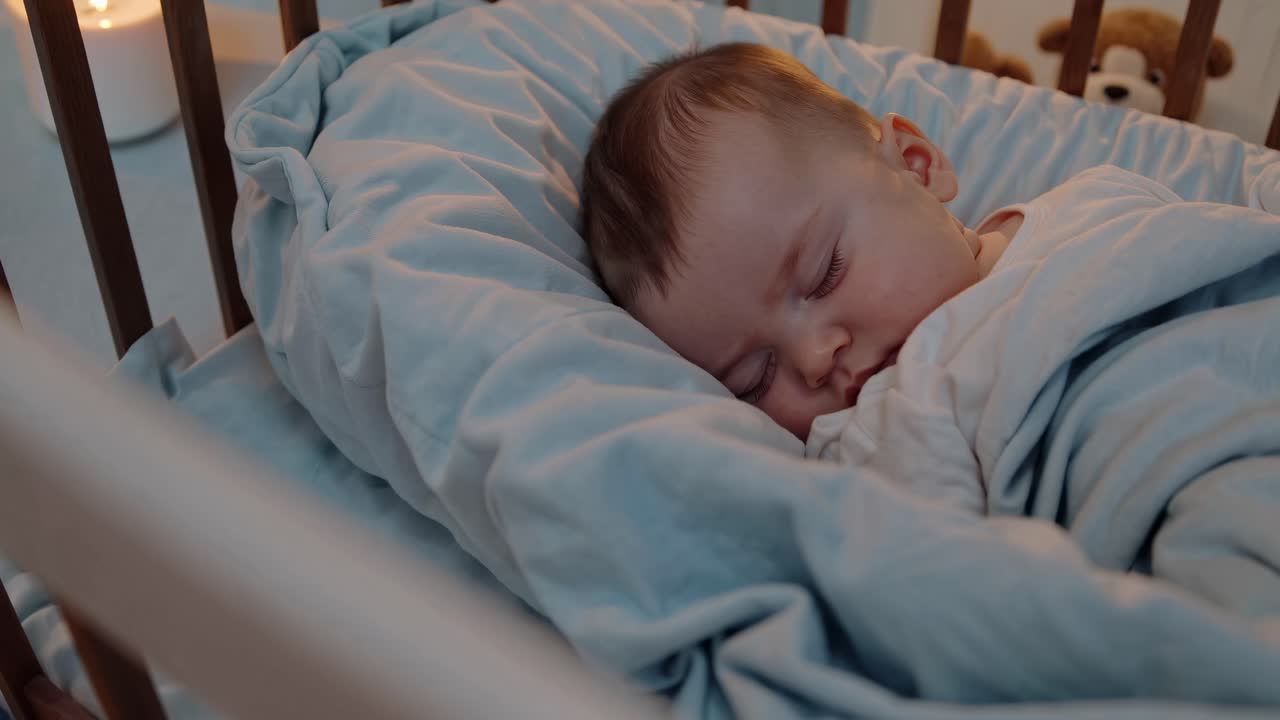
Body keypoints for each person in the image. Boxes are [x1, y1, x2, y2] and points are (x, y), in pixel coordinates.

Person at [581, 41, 1021, 440]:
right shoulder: (873, 443)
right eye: (755, 380)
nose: (815, 359)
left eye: (825, 274)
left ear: (916, 166)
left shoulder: (1058, 228)